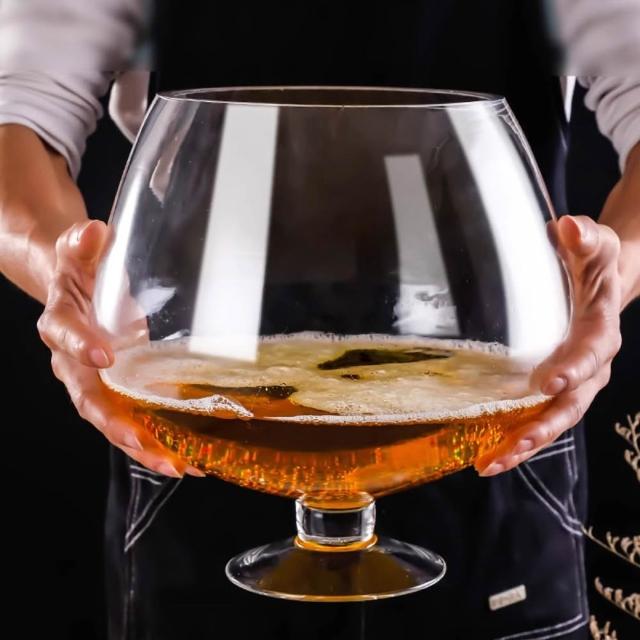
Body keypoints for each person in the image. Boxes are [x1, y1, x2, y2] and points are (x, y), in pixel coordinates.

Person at [1, 1, 639, 638]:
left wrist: (601, 290)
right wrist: (70, 279)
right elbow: (19, 111)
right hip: (199, 407)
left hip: (497, 430)